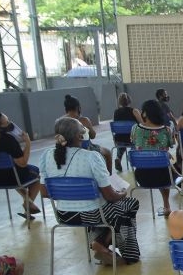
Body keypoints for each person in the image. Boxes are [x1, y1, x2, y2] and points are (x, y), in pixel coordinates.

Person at [39, 117, 140, 265]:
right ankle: (110, 247)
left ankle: (100, 243)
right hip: (91, 215)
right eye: (83, 128)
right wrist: (122, 192)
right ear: (79, 136)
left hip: (64, 215)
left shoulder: (46, 156)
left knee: (115, 212)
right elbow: (110, 196)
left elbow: (44, 193)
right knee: (129, 204)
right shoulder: (92, 157)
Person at [131, 99, 177, 216]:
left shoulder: (135, 129)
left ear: (145, 113)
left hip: (142, 177)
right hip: (165, 178)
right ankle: (167, 205)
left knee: (157, 164)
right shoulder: (166, 129)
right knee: (164, 167)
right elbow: (170, 144)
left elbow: (134, 143)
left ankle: (165, 206)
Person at [0, 110, 41, 218]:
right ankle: (28, 204)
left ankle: (29, 203)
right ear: (2, 125)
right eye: (8, 121)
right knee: (36, 174)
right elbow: (23, 163)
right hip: (11, 177)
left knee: (12, 171)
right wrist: (27, 142)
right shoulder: (8, 139)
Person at [62, 94, 112, 174]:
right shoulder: (84, 120)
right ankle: (110, 178)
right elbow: (93, 136)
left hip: (67, 151)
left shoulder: (61, 122)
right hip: (87, 149)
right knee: (108, 153)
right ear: (78, 107)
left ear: (65, 108)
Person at [112, 93, 143, 172]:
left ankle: (118, 158)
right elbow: (142, 124)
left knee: (122, 143)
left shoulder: (116, 112)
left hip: (119, 139)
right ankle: (132, 155)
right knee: (136, 140)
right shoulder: (134, 111)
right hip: (133, 139)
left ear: (119, 102)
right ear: (129, 101)